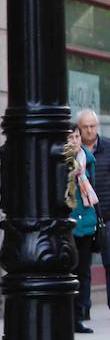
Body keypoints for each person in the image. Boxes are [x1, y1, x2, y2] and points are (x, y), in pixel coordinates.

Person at [75, 109, 110, 312]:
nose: (89, 130)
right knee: (82, 266)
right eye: (85, 127)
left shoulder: (107, 148)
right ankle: (83, 309)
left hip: (106, 213)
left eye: (92, 126)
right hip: (85, 216)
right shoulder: (76, 153)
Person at [67, 124, 99, 334]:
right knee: (71, 270)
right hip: (70, 223)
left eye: (77, 136)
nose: (75, 140)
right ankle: (69, 315)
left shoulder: (87, 160)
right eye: (71, 137)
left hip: (87, 221)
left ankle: (81, 313)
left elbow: (93, 189)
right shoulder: (62, 161)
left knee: (84, 271)